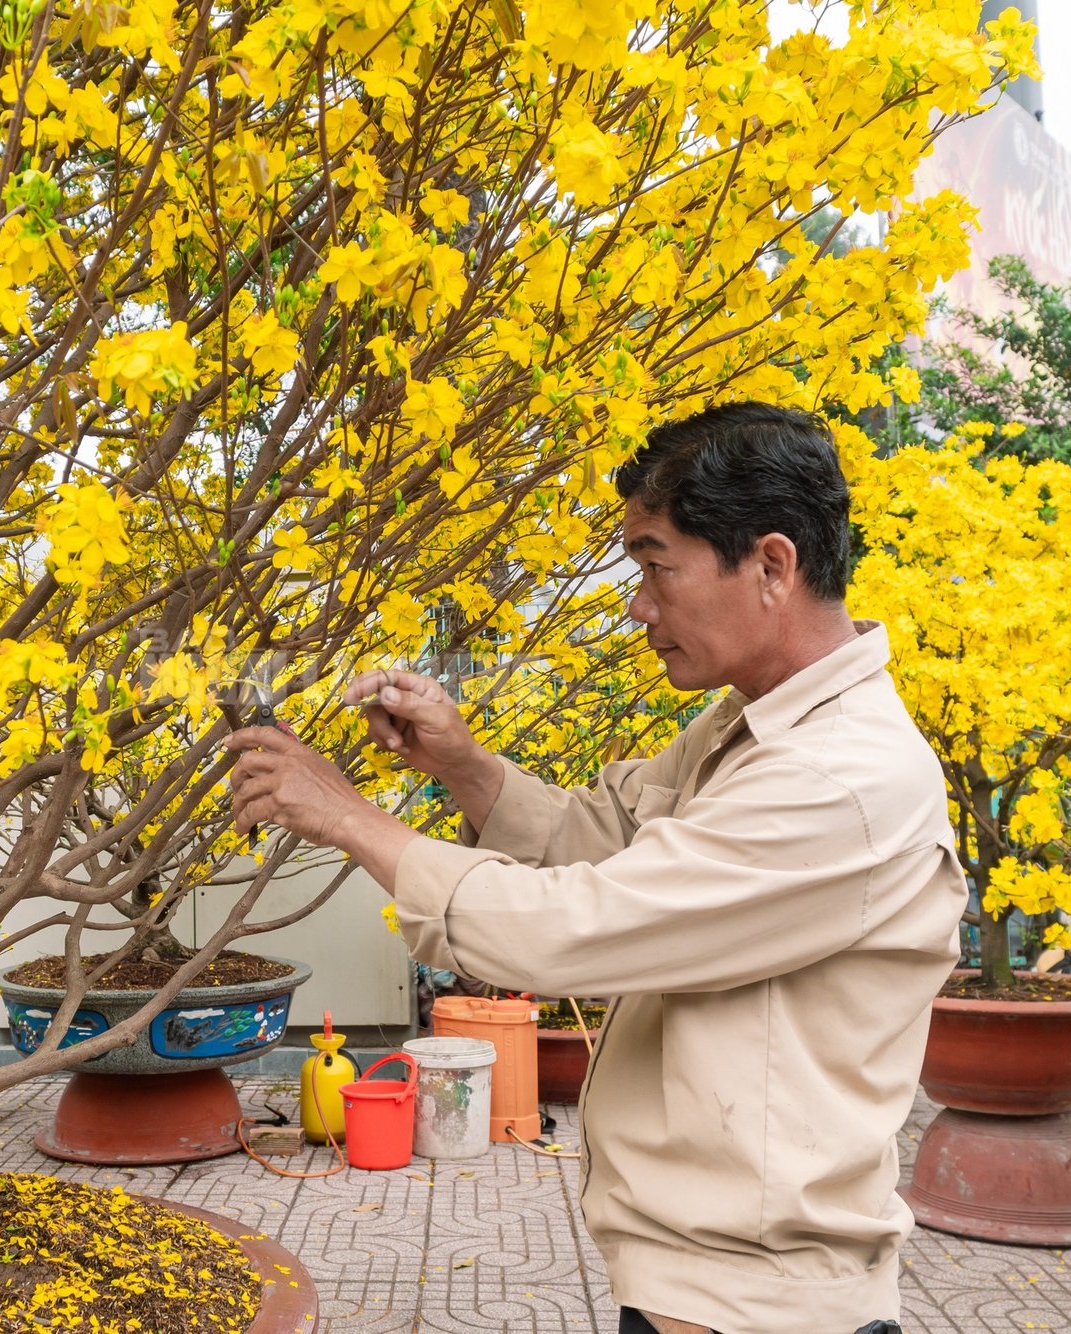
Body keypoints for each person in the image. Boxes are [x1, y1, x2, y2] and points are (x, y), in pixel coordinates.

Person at [226, 403, 964, 1334]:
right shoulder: (759, 722)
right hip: (700, 1285)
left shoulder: (836, 778)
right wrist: (465, 764)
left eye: (657, 568)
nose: (639, 607)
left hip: (760, 1307)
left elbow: (571, 929)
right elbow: (612, 833)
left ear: (771, 566)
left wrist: (346, 816)